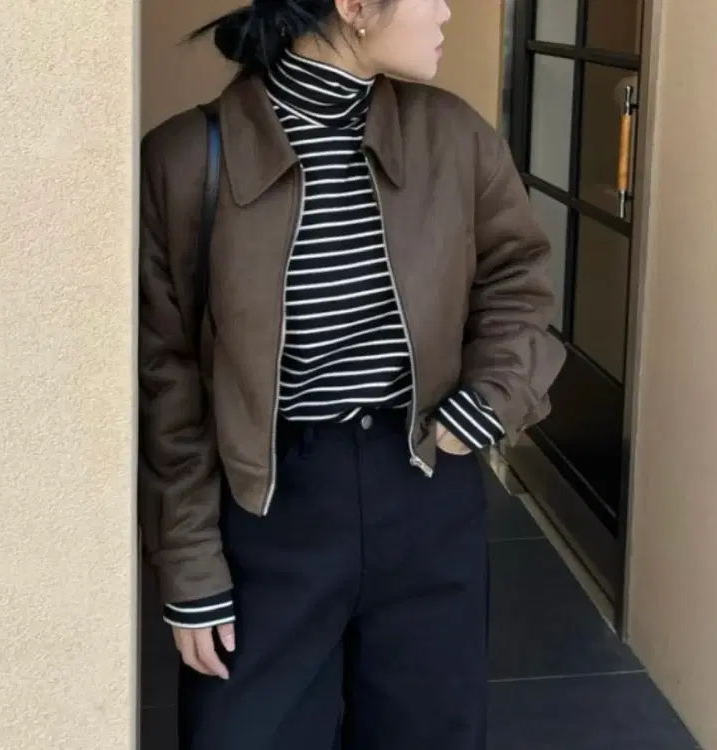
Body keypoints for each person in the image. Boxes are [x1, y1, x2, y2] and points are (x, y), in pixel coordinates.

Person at [138, 0, 566, 748]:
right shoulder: (186, 159)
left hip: (426, 484)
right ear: (357, 6)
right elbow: (165, 377)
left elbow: (518, 276)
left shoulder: (454, 135)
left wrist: (494, 396)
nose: (447, 12)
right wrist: (190, 564)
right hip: (268, 505)